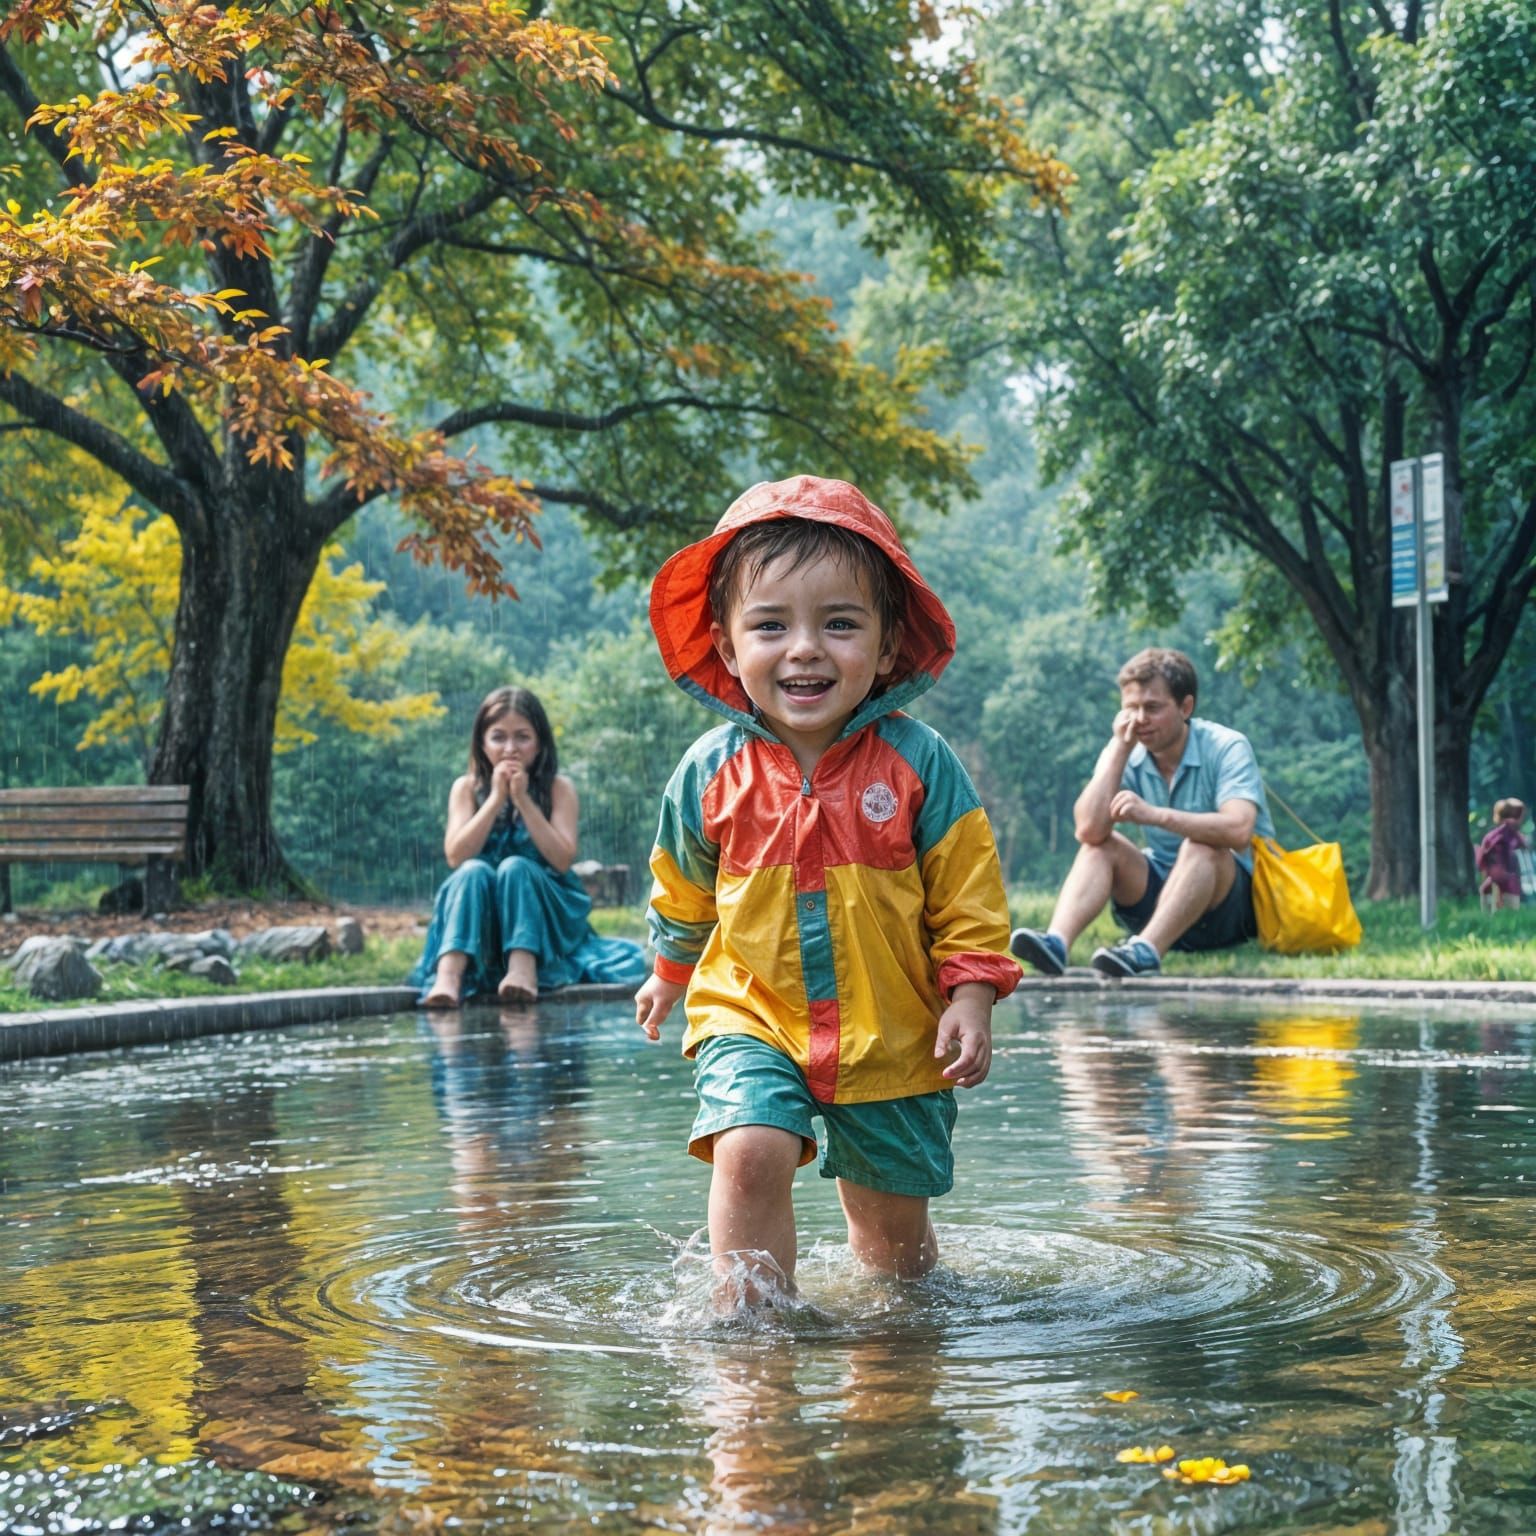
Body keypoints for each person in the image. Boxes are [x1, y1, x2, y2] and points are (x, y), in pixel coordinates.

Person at [633, 474, 1021, 1305]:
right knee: (749, 1148)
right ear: (730, 649)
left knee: (895, 1258)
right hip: (753, 1009)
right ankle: (747, 1333)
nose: (804, 648)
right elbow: (684, 887)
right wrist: (669, 974)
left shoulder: (920, 764)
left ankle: (893, 1360)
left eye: (839, 625)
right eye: (771, 625)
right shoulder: (710, 773)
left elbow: (969, 894)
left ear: (886, 649)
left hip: (891, 1031)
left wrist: (974, 994)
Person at [1010, 647, 1276, 980]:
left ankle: (1146, 952)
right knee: (1101, 846)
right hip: (1165, 897)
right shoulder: (1126, 749)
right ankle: (1056, 944)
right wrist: (1119, 749)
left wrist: (1153, 815)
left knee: (1202, 845)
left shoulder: (1226, 746)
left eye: (1152, 708)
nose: (1139, 720)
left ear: (1186, 707)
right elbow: (1088, 830)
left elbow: (1238, 830)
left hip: (1231, 909)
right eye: (1130, 708)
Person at [410, 685, 647, 1006]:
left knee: (515, 867)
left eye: (522, 736)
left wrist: (523, 800)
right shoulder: (465, 788)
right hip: (478, 915)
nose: (510, 749)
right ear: (481, 743)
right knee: (472, 870)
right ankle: (449, 976)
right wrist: (496, 799)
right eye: (498, 737)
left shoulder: (559, 788)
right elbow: (456, 854)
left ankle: (524, 969)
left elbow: (562, 859)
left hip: (543, 909)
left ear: (539, 743)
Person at [1475, 797, 1527, 911]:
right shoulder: (1511, 835)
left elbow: (1481, 862)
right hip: (1507, 882)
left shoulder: (1491, 836)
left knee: (1488, 895)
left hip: (1496, 879)